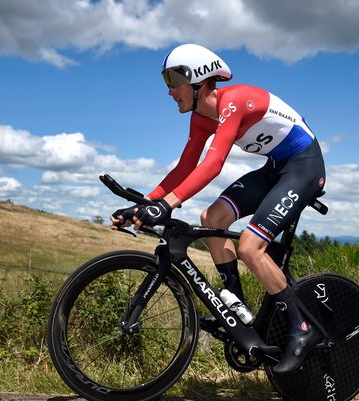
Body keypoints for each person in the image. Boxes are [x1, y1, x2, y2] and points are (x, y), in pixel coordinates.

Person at [110, 44, 326, 374]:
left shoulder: (234, 101)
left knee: (251, 248)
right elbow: (185, 167)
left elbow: (212, 164)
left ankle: (303, 329)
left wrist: (168, 204)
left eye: (174, 79)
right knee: (212, 218)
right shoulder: (200, 117)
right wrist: (147, 204)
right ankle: (237, 310)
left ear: (199, 80)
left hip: (303, 168)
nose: (169, 91)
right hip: (275, 168)